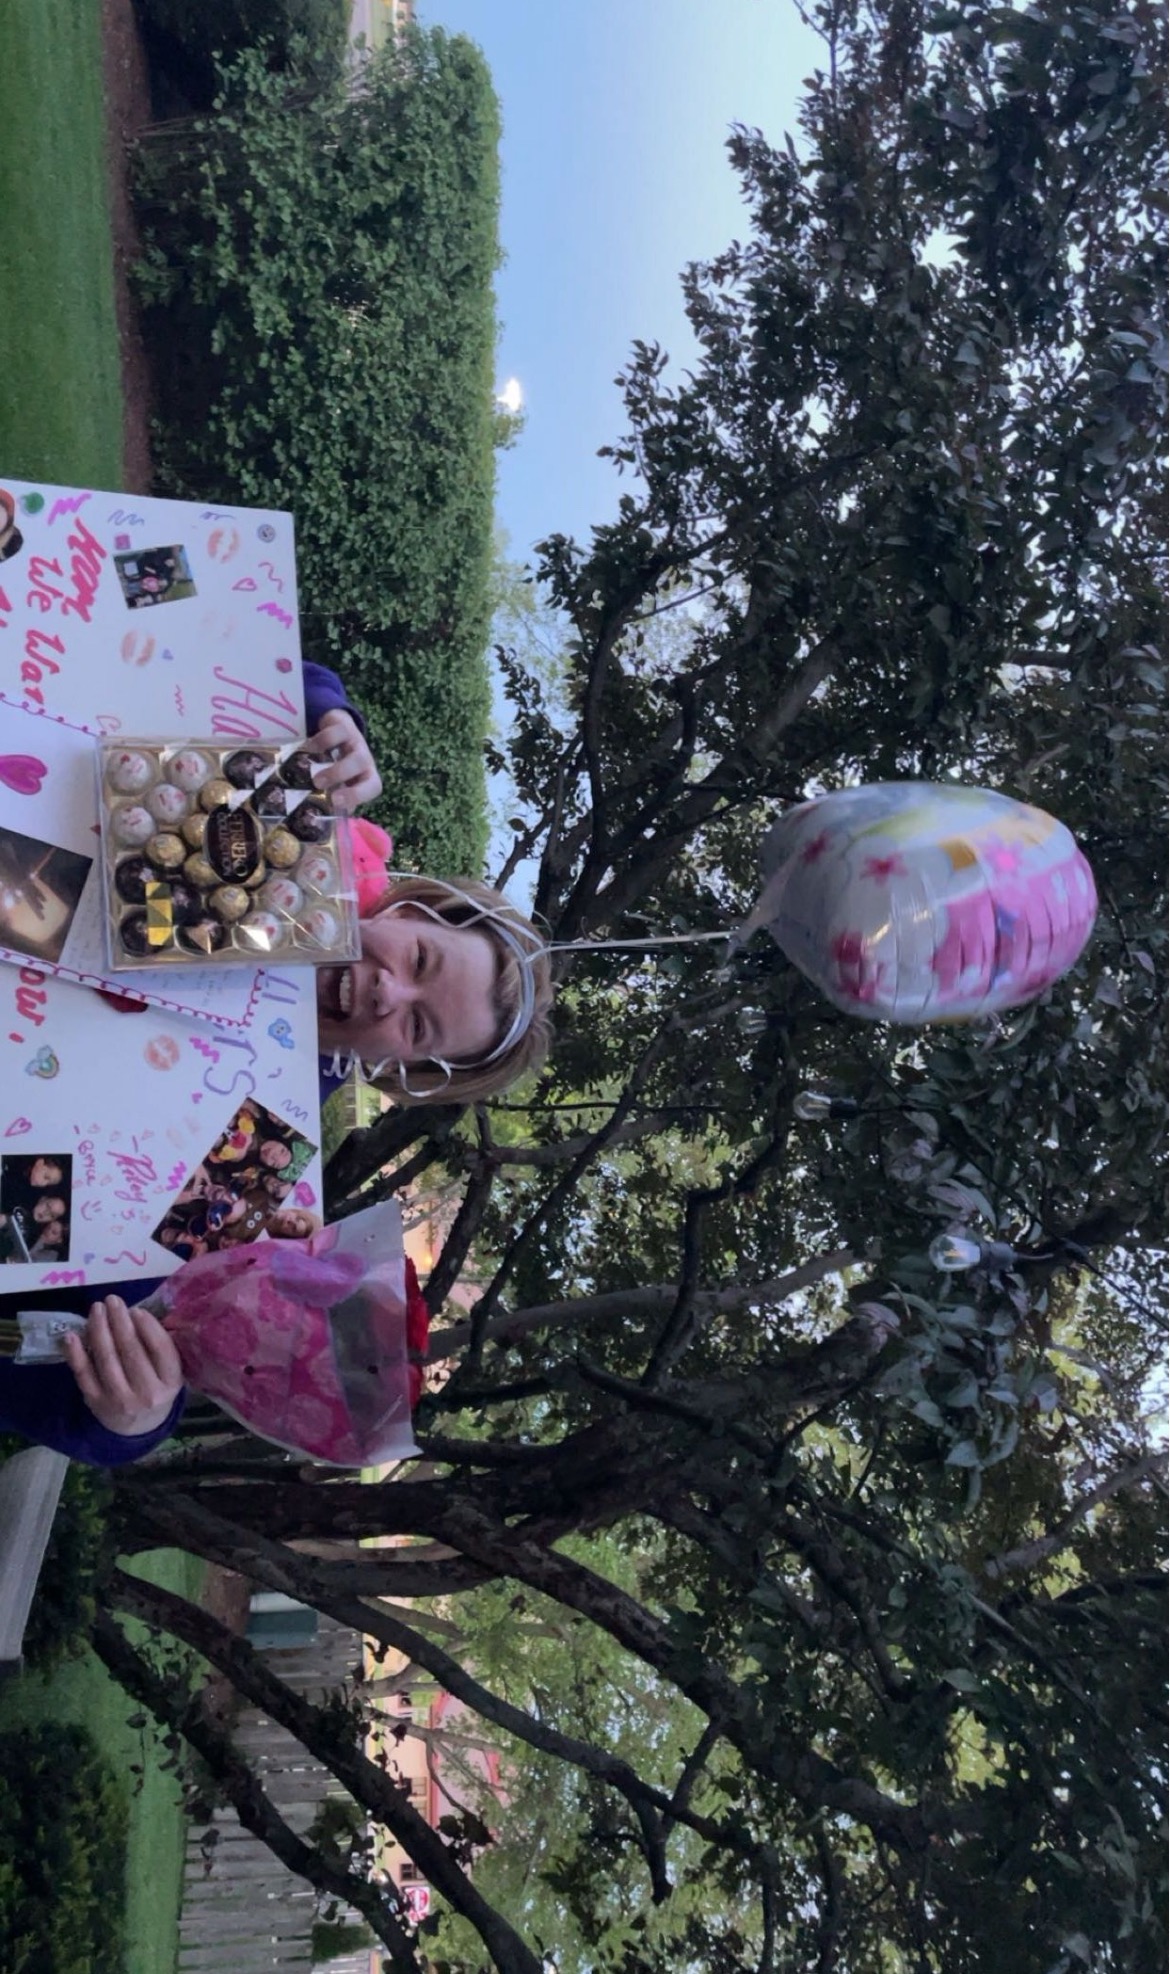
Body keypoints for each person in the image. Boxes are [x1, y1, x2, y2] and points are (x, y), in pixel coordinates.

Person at [0, 659, 554, 1465]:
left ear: (405, 1074)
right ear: (409, 908)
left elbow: (60, 1294)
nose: (388, 990)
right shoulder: (275, 837)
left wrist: (132, 1421)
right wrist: (331, 721)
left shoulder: (255, 1149)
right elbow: (210, 651)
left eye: (419, 1025)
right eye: (421, 960)